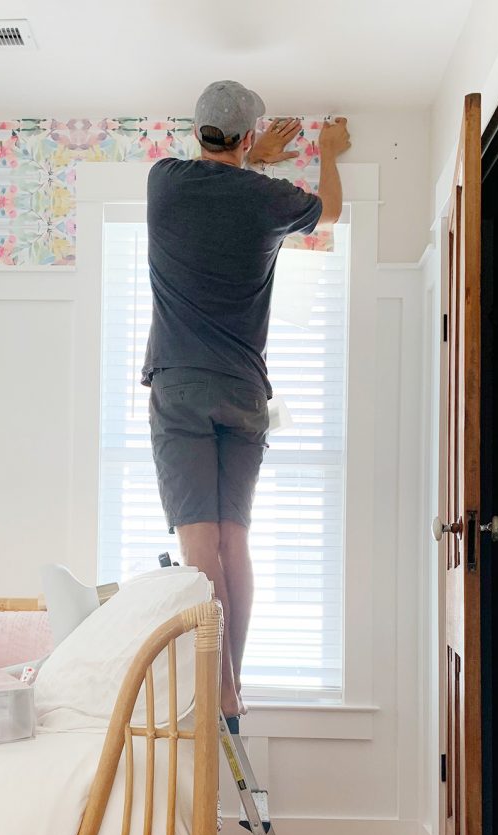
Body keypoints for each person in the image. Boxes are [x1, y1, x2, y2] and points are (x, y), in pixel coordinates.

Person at [142, 80, 351, 728]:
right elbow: (331, 211)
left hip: (180, 386)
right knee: (235, 542)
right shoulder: (266, 202)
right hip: (241, 392)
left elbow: (213, 182)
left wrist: (251, 153)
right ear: (251, 137)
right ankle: (233, 685)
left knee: (197, 542)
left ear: (196, 128)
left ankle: (220, 686)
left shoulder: (163, 183)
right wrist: (331, 153)